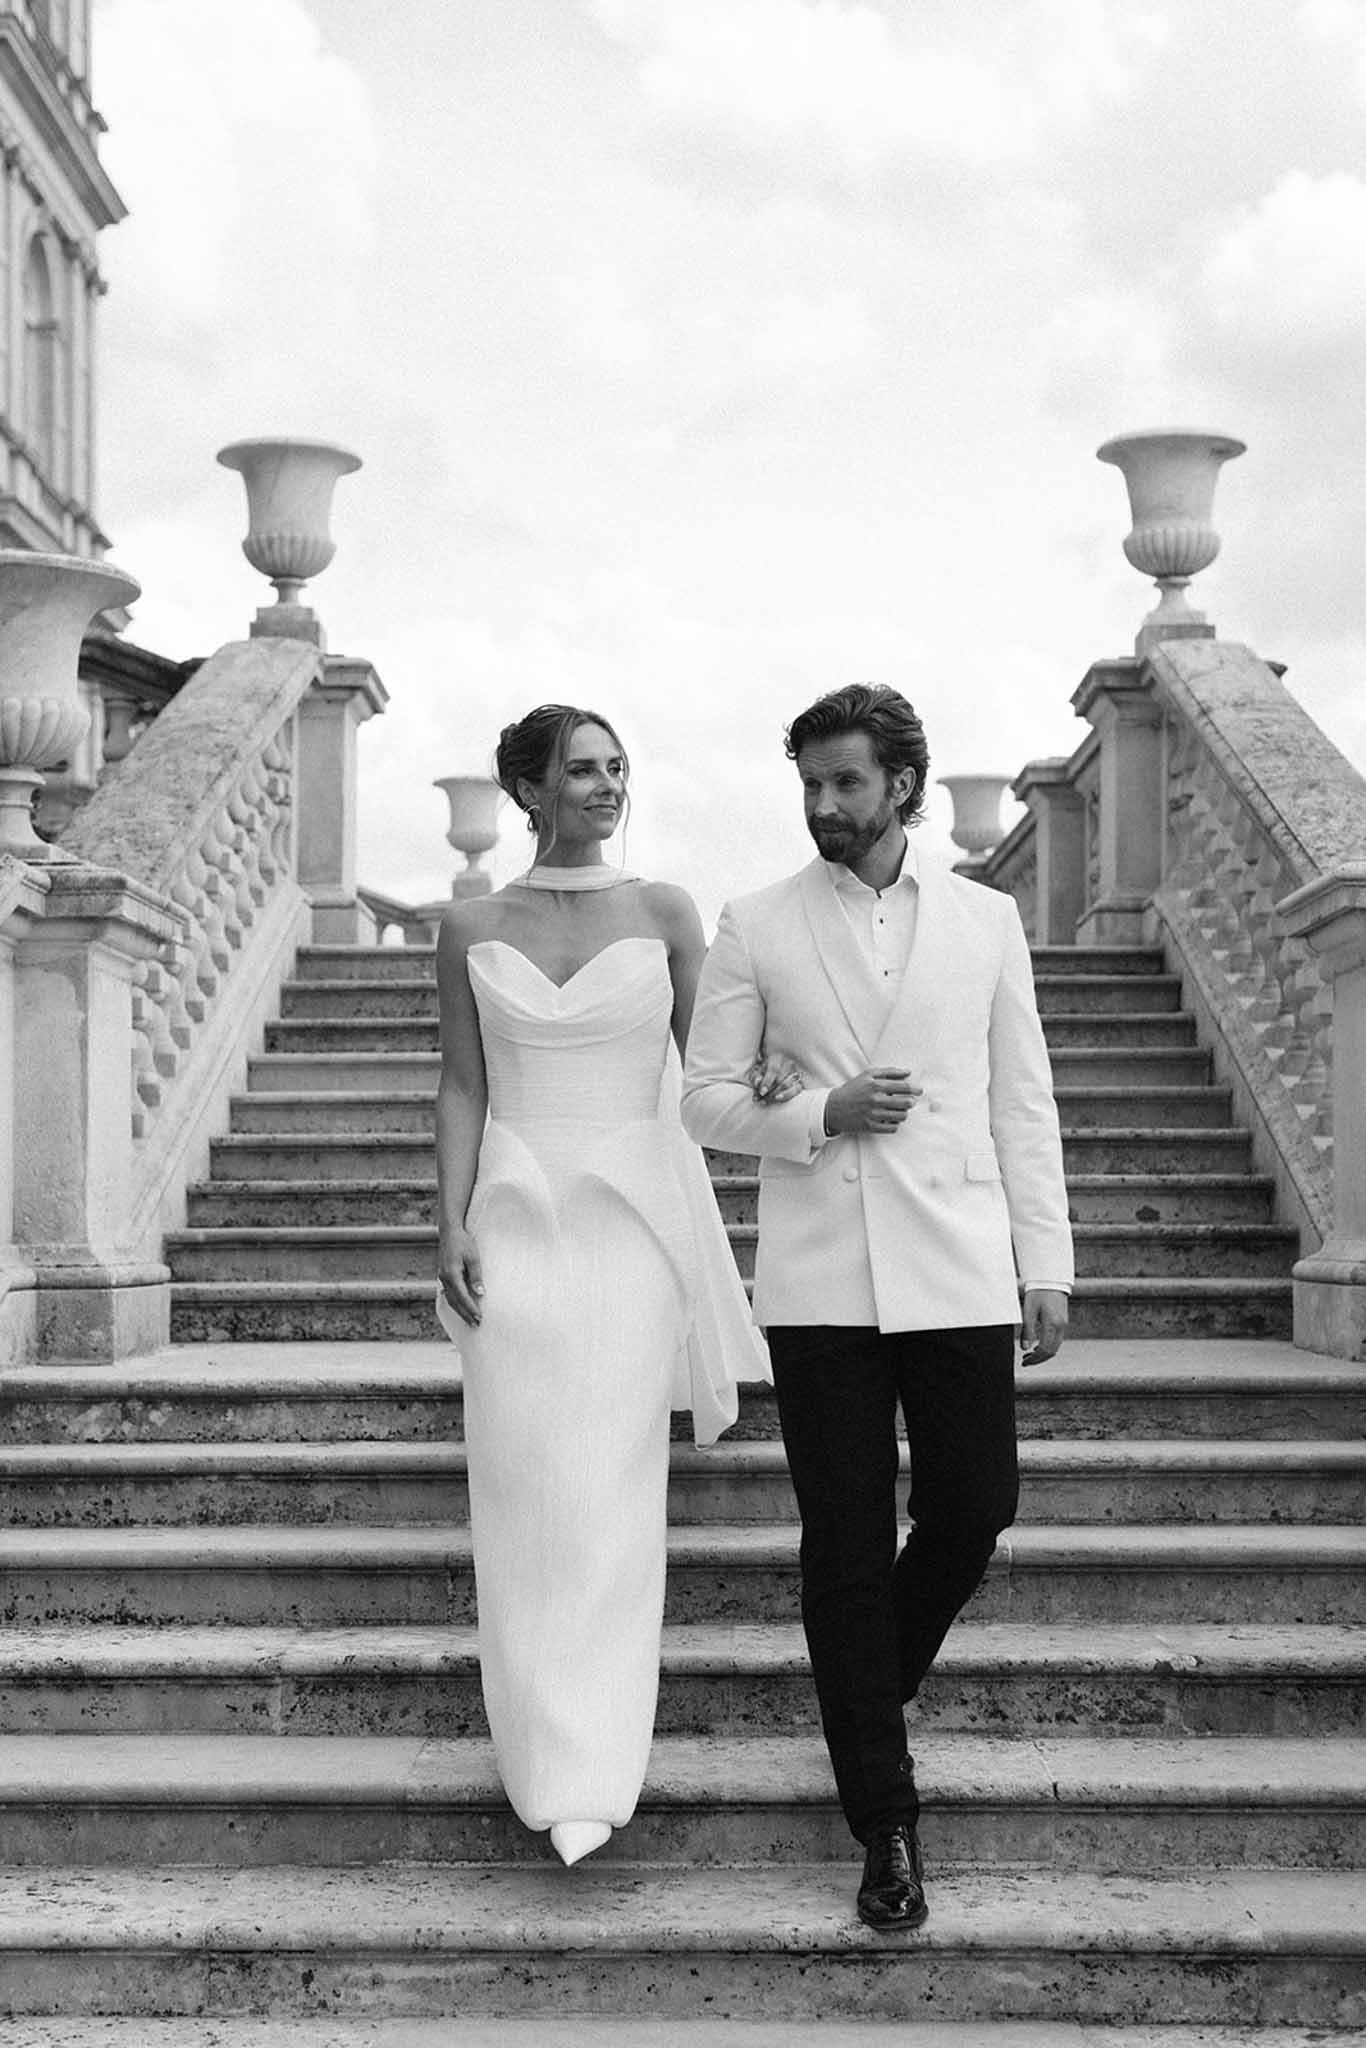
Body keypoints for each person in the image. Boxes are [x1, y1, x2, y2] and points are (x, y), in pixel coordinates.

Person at [680, 683, 1073, 1931]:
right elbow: (700, 1097)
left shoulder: (986, 919)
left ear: (903, 784)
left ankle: (860, 1688)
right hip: (822, 1278)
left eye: (845, 781)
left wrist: (1045, 1261)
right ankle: (884, 1820)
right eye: (810, 783)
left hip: (957, 1257)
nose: (823, 804)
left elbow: (1021, 1098)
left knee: (976, 1503)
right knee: (843, 1544)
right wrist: (818, 1112)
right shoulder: (756, 920)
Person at [433, 703, 769, 1868]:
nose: (606, 784)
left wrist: (778, 1079)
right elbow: (462, 1084)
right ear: (530, 789)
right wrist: (448, 1221)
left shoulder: (664, 910)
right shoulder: (470, 923)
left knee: (612, 1486)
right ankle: (536, 1751)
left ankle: (597, 1762)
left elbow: (714, 1065)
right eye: (581, 769)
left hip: (632, 1221)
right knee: (519, 1480)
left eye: (617, 766)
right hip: (512, 1213)